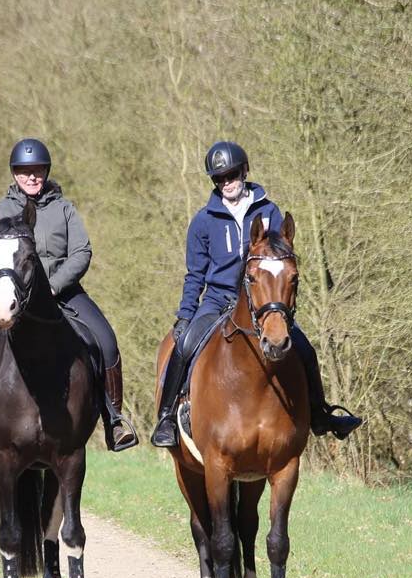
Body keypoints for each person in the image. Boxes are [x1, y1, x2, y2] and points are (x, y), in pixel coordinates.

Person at [150, 140, 362, 448]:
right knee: (183, 345)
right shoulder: (203, 221)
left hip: (264, 302)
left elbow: (283, 259)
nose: (226, 183)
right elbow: (195, 274)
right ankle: (167, 418)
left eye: (232, 175)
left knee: (305, 349)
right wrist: (185, 315)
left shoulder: (269, 211)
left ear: (244, 171)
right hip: (218, 299)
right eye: (219, 178)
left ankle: (320, 414)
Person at [0, 138, 138, 452]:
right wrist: (3, 286)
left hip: (63, 292)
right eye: (24, 171)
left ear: (46, 172)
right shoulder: (1, 210)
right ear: (15, 173)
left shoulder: (64, 209)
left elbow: (81, 251)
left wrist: (55, 284)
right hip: (10, 292)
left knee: (107, 342)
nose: (32, 177)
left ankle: (114, 419)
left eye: (38, 170)